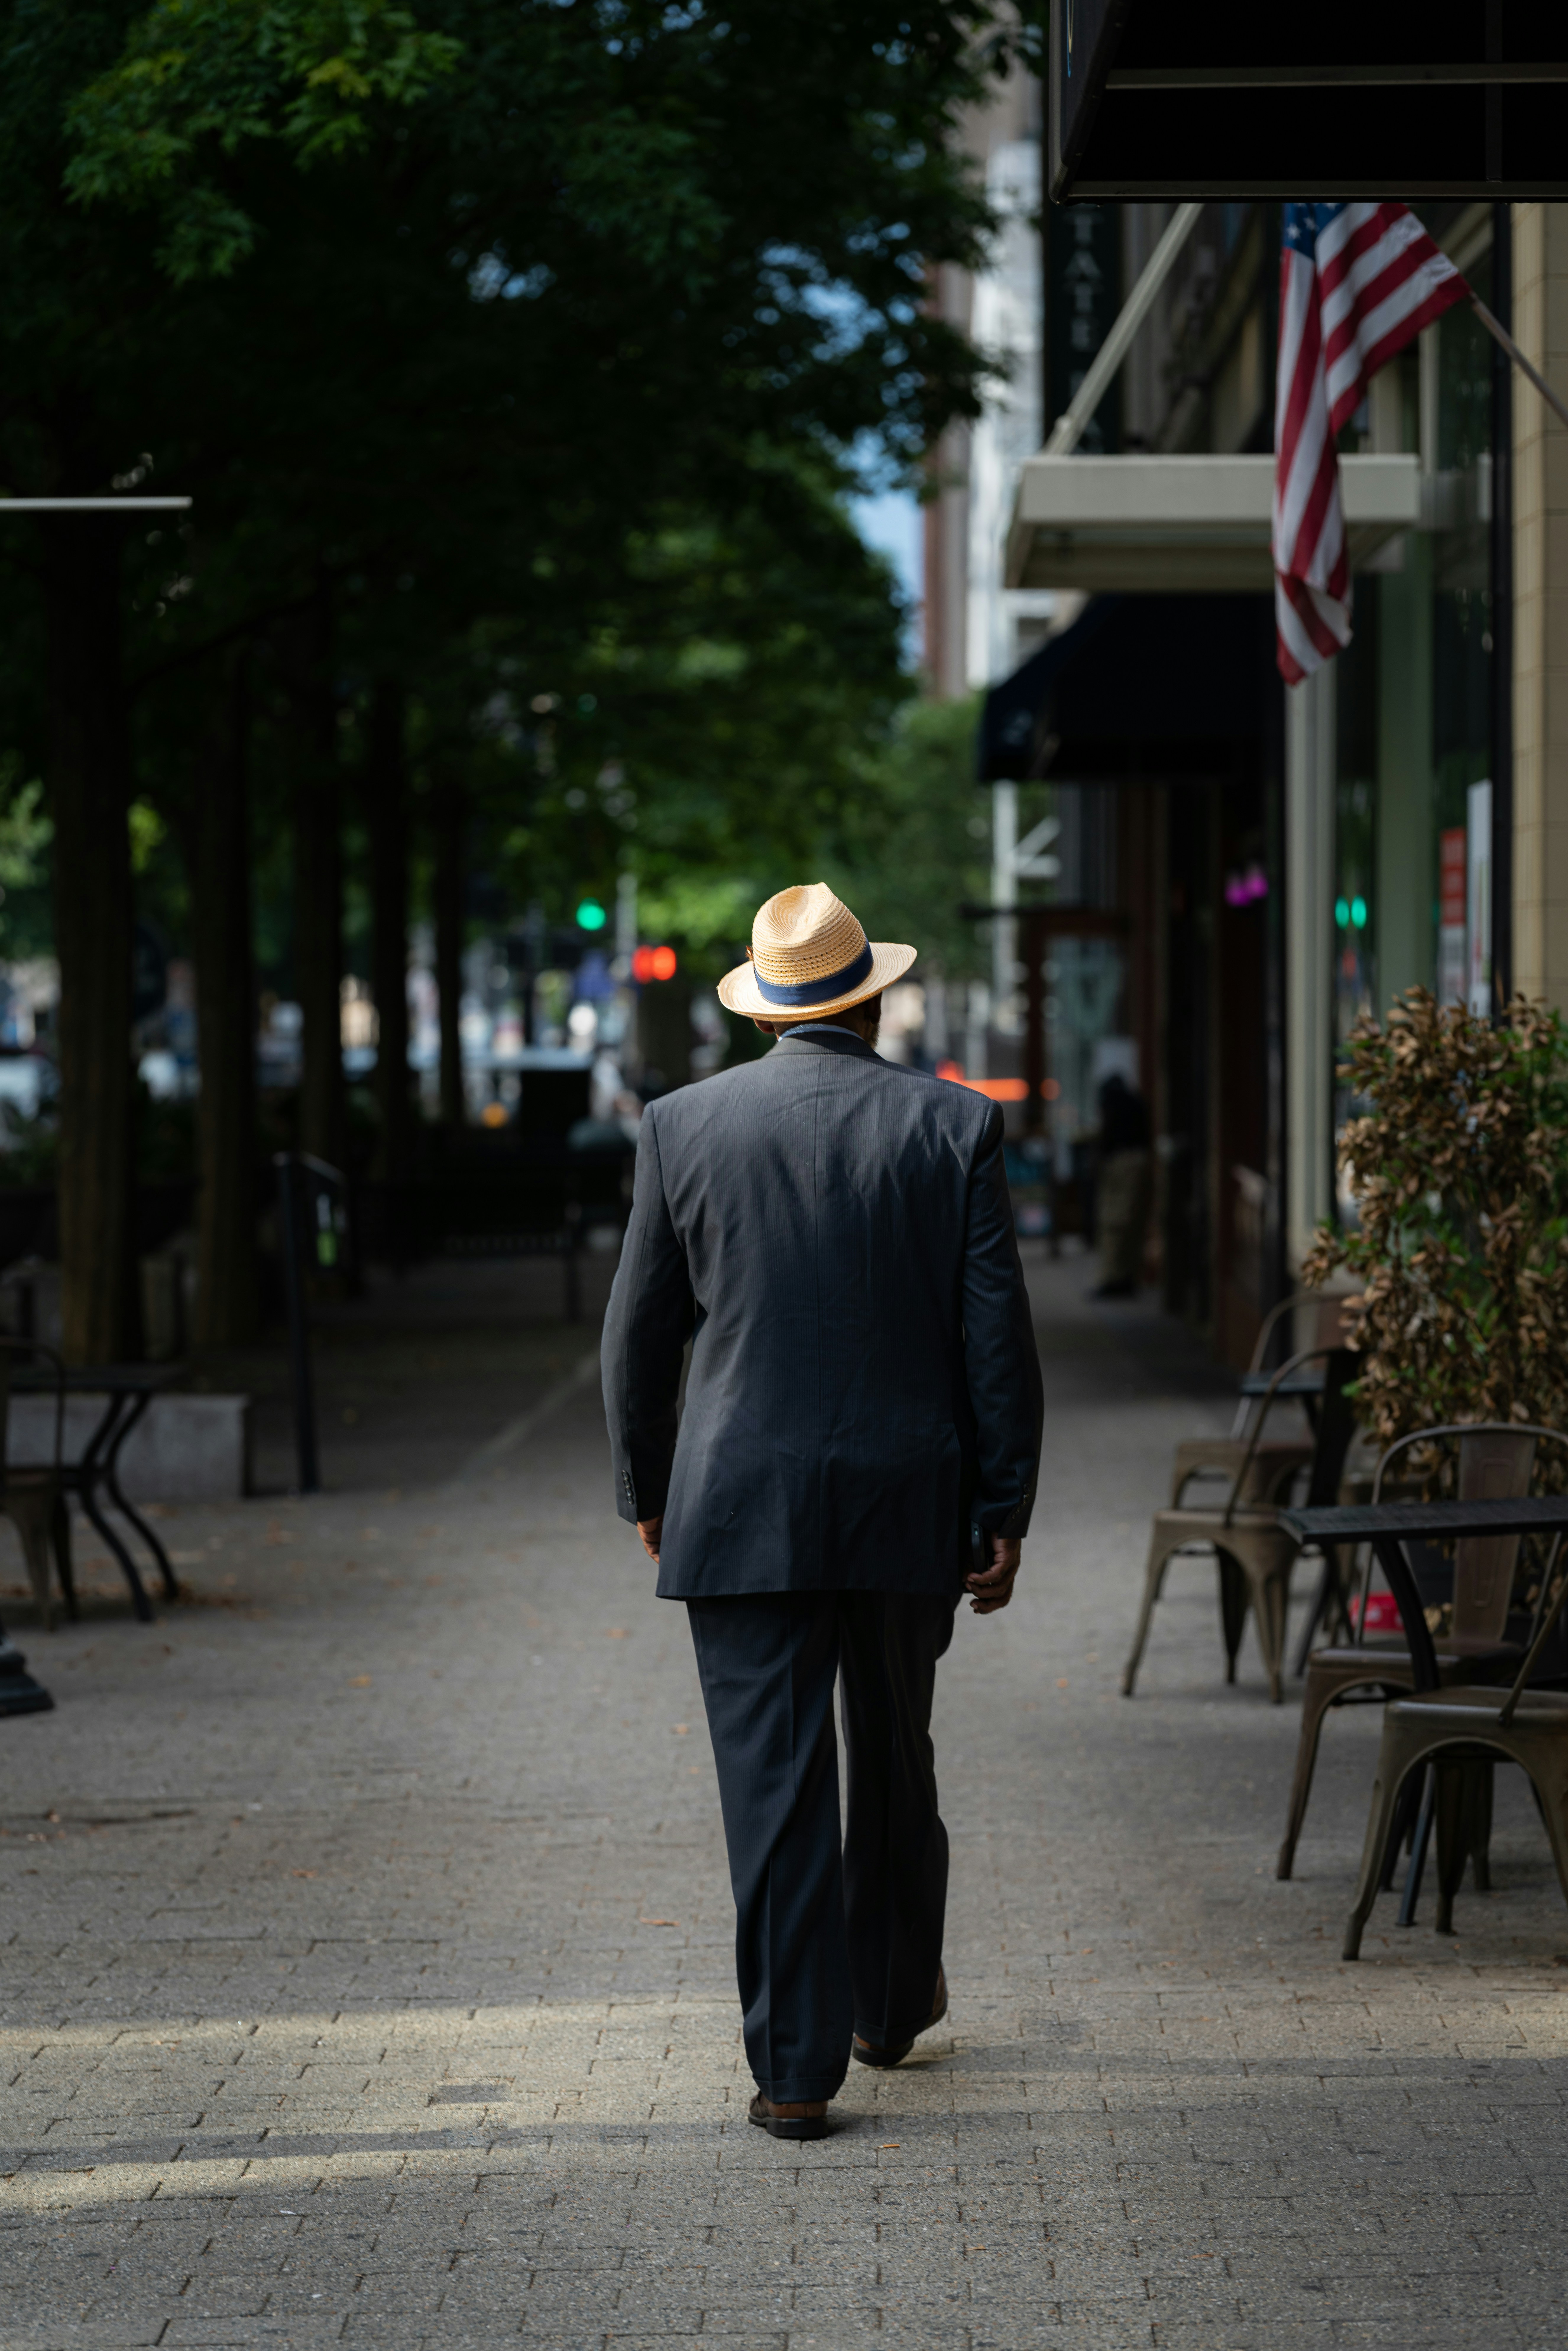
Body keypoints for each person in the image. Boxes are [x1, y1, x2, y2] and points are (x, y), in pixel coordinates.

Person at [601, 883, 1043, 2141]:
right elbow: (993, 1338)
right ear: (873, 994)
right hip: (911, 1498)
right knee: (895, 1754)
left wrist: (648, 1481)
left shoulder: (683, 1125)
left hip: (739, 1502)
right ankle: (891, 2004)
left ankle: (796, 2070)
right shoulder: (954, 1123)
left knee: (773, 1782)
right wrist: (1005, 1497)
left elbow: (637, 1336)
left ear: (765, 1007)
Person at [1089, 1070, 1152, 1301]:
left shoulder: (1113, 1104)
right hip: (1137, 1162)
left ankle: (1112, 1279)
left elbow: (1107, 1134)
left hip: (1119, 1164)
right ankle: (1126, 1277)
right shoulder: (1137, 1103)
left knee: (1114, 1222)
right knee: (1131, 1222)